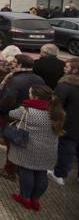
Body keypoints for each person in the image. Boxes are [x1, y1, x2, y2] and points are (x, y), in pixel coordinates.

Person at [8, 85, 65, 211]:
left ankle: (25, 198)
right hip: (48, 149)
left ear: (36, 96)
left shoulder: (27, 110)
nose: (28, 95)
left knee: (26, 171)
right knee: (41, 173)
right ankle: (35, 201)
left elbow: (11, 114)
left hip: (30, 147)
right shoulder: (56, 111)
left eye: (30, 93)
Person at [0, 54, 46, 180]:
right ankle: (18, 168)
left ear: (20, 65)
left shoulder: (15, 79)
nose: (12, 64)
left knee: (11, 143)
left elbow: (8, 98)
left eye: (15, 62)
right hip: (30, 115)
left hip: (12, 116)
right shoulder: (39, 79)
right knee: (21, 144)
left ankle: (9, 170)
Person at [49, 58, 79, 186]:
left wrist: (55, 123)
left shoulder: (64, 85)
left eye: (66, 67)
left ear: (74, 70)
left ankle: (59, 174)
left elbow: (56, 106)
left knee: (66, 149)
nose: (64, 69)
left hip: (69, 125)